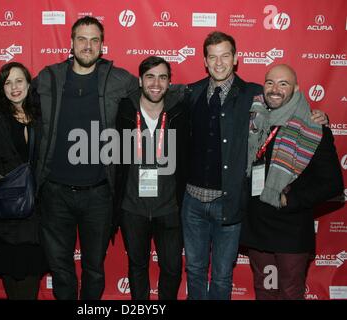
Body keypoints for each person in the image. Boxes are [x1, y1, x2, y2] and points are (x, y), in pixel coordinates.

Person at [180, 32, 327, 300]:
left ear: (236, 59)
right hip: (192, 202)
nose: (219, 62)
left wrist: (318, 115)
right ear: (204, 61)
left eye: (225, 56)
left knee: (223, 275)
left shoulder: (254, 95)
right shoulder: (191, 93)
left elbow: (288, 104)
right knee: (195, 269)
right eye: (213, 57)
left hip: (231, 201)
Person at [34, 16, 138, 299]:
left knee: (94, 268)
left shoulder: (121, 79)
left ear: (102, 45)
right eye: (82, 39)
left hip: (99, 194)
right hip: (54, 192)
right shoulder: (48, 77)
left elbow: (155, 96)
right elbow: (15, 104)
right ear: (71, 42)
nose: (88, 45)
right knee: (60, 267)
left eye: (94, 40)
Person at [240, 64, 344, 300]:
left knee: (289, 292)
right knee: (265, 290)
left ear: (296, 89)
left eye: (283, 84)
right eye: (270, 83)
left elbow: (333, 184)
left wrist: (291, 199)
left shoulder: (313, 128)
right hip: (258, 226)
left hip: (291, 229)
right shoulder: (253, 121)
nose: (275, 89)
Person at [115, 56, 188, 300]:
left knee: (172, 268)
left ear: (169, 83)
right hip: (132, 208)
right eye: (150, 76)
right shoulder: (124, 109)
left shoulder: (180, 111)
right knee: (137, 267)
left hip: (169, 208)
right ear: (140, 80)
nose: (156, 83)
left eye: (162, 77)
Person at [0, 62, 48, 299]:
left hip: (37, 210)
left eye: (19, 80)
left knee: (32, 271)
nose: (14, 87)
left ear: (29, 83)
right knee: (13, 273)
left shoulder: (42, 115)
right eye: (8, 82)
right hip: (9, 209)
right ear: (1, 88)